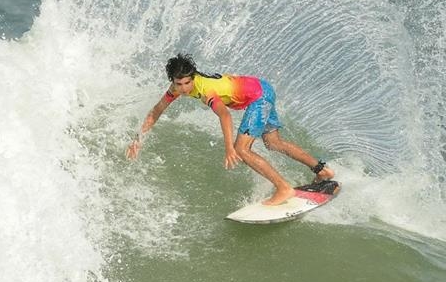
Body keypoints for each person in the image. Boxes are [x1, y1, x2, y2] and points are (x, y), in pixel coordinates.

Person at [126, 53, 334, 205]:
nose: (183, 88)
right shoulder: (175, 89)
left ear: (193, 77)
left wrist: (229, 148)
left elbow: (224, 115)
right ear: (172, 81)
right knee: (273, 143)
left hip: (258, 98)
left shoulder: (206, 90)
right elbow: (156, 111)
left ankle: (284, 188)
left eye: (187, 83)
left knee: (242, 149)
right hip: (263, 88)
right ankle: (322, 171)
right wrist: (138, 139)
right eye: (179, 84)